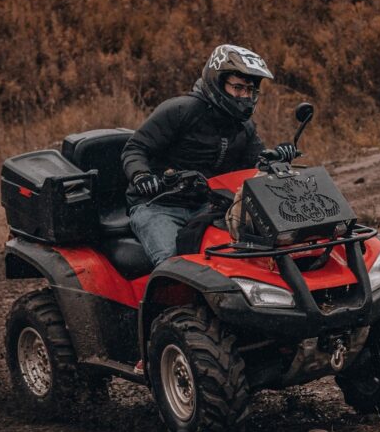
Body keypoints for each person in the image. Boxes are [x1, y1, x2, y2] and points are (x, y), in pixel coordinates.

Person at [121, 44, 299, 266]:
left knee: (247, 252)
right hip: (158, 205)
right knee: (173, 262)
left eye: (250, 90)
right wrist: (141, 176)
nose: (245, 96)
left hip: (207, 206)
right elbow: (135, 148)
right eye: (238, 87)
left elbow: (256, 161)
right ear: (217, 81)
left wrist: (278, 156)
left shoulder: (243, 126)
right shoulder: (180, 110)